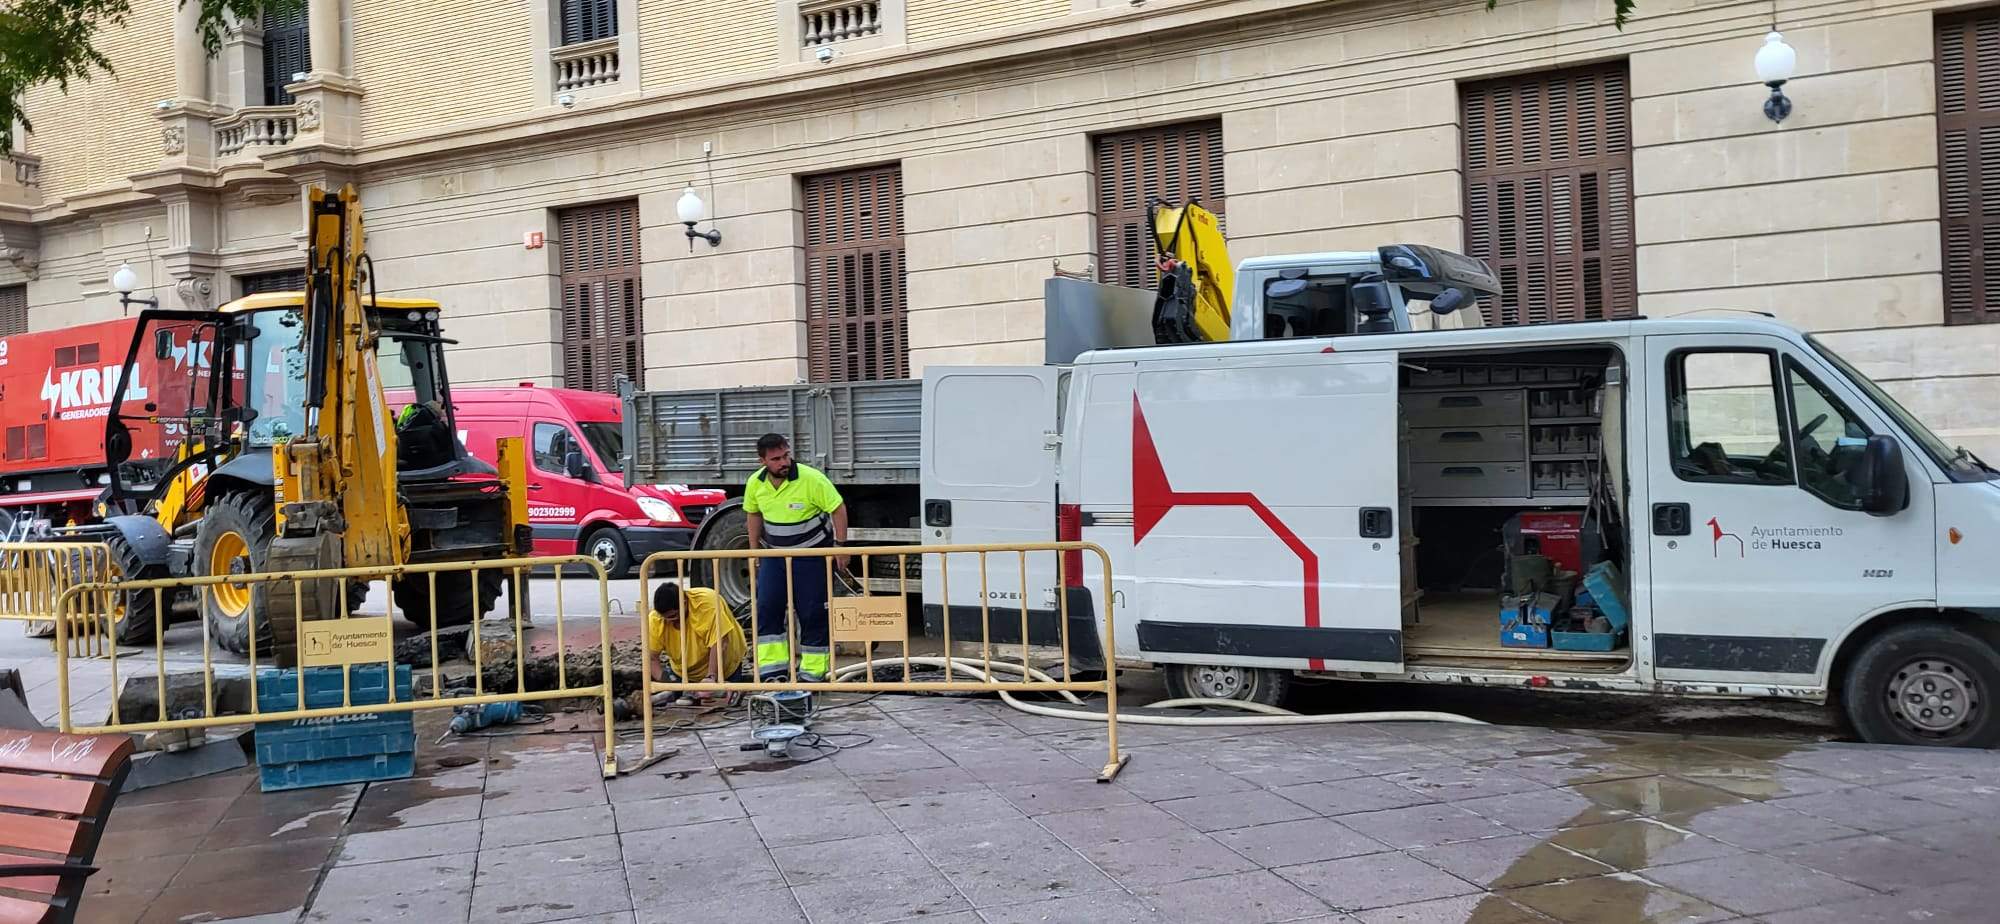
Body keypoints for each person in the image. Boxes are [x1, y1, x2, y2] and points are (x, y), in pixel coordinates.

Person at [743, 432, 848, 682]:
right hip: (774, 557)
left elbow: (838, 508)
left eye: (786, 455)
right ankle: (772, 671)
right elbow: (753, 514)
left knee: (812, 612)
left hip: (811, 557)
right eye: (776, 459)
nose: (784, 463)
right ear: (762, 461)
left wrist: (841, 546)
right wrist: (753, 551)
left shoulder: (812, 479)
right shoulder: (755, 484)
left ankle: (813, 672)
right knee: (767, 608)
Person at [646, 580, 748, 705]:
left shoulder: (707, 603)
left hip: (725, 667)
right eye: (665, 618)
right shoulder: (655, 619)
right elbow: (651, 659)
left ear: (684, 603)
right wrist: (670, 685)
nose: (669, 622)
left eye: (673, 616)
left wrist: (711, 678)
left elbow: (720, 643)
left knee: (729, 705)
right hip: (683, 673)